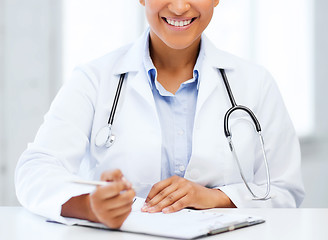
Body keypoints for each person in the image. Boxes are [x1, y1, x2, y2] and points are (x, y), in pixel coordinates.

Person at [15, 0, 305, 229]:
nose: (179, 7)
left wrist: (214, 198)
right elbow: (35, 171)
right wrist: (91, 207)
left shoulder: (255, 82)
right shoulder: (93, 79)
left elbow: (285, 190)